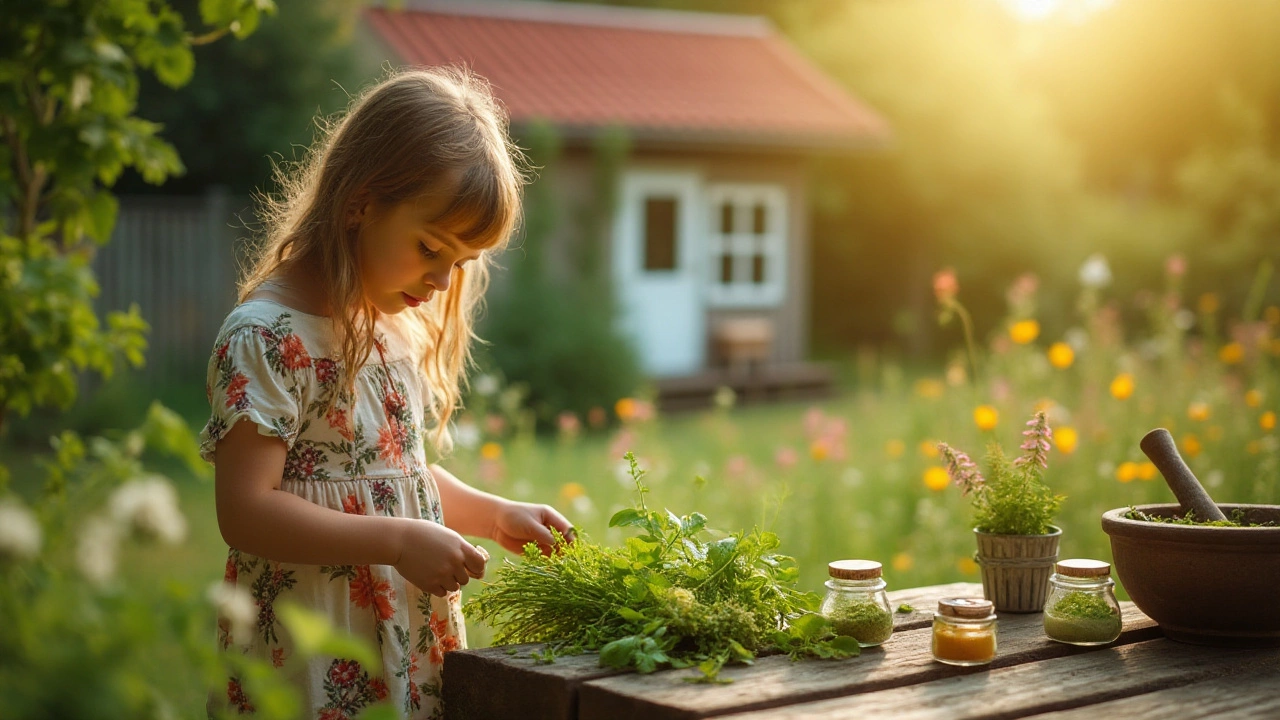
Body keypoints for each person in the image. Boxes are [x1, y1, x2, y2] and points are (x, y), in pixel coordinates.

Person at [200, 66, 574, 719]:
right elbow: (247, 510)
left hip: (401, 638)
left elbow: (394, 476)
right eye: (431, 247)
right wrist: (397, 542)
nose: (440, 279)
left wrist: (492, 513)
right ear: (360, 201)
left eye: (457, 263)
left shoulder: (390, 328)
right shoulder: (267, 337)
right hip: (312, 644)